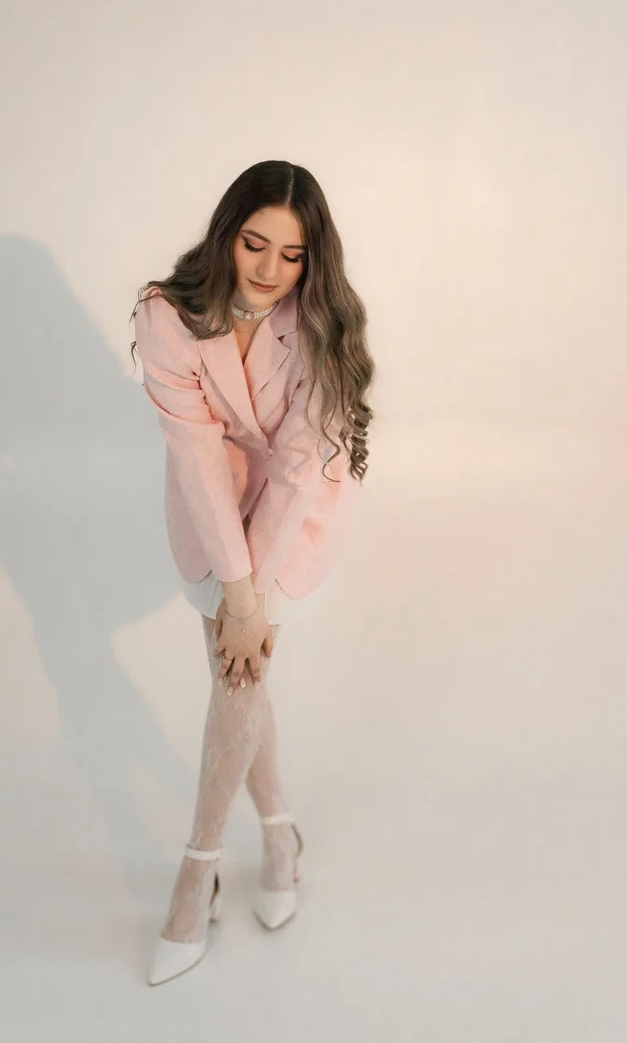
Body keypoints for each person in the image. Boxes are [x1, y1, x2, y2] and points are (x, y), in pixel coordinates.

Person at [129, 159, 374, 985]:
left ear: (313, 259)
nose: (270, 269)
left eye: (292, 254)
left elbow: (300, 468)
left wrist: (254, 598)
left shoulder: (322, 323)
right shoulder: (166, 313)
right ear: (226, 234)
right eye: (254, 244)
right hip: (212, 501)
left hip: (297, 512)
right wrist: (236, 595)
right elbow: (196, 451)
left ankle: (196, 870)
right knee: (242, 670)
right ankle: (279, 832)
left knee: (239, 671)